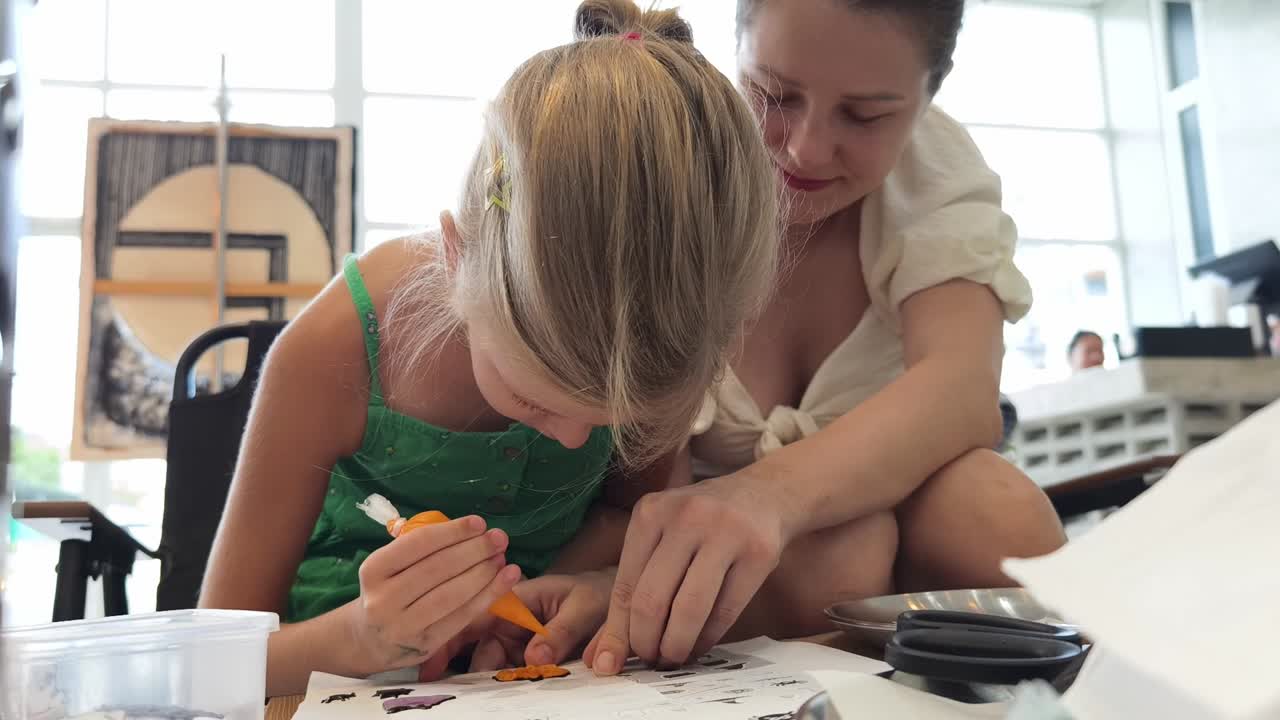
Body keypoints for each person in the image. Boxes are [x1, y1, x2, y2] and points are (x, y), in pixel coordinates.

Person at [198, 0, 780, 696]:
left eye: (608, 422)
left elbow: (634, 515)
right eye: (534, 396)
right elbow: (210, 659)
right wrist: (364, 633)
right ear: (455, 257)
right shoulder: (337, 348)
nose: (574, 443)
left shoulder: (656, 329)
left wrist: (594, 584)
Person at [533, 0, 1068, 676]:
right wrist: (636, 573)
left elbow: (961, 391)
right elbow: (632, 482)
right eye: (774, 94)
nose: (808, 148)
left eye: (867, 115)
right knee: (839, 559)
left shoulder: (931, 168)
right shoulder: (677, 156)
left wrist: (765, 499)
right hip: (700, 536)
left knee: (998, 515)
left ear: (930, 93)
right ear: (736, 54)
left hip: (882, 520)